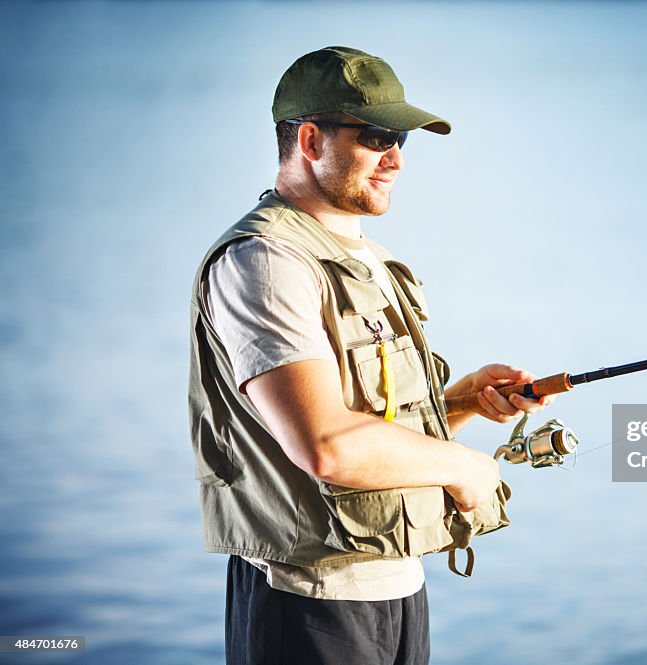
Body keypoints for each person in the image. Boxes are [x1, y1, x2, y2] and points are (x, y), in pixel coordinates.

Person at [187, 46, 551, 664]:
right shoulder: (267, 262)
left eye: (403, 139)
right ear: (309, 139)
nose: (397, 160)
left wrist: (457, 403)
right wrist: (466, 469)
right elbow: (325, 444)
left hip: (399, 586)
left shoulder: (368, 259)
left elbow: (372, 424)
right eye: (379, 137)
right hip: (309, 598)